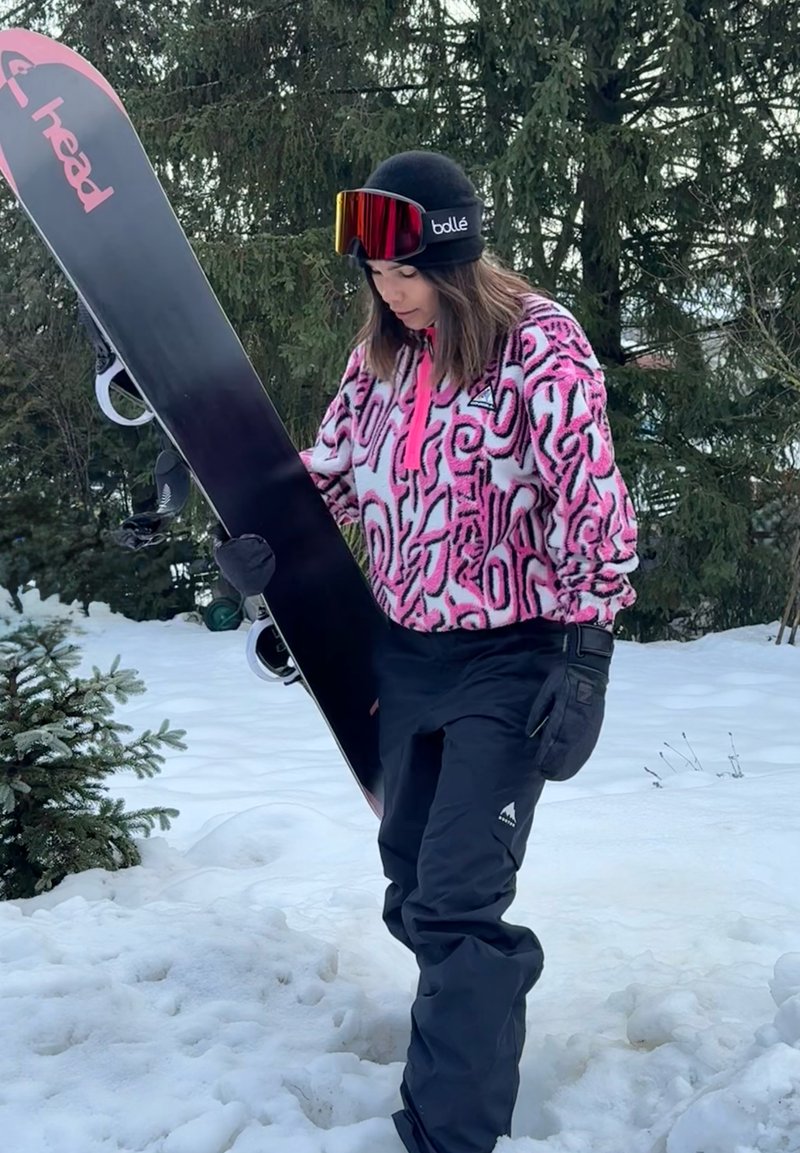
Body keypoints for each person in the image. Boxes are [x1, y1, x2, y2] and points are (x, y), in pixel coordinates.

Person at [217, 150, 638, 1153]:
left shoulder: (539, 346)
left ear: (450, 258)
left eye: (405, 273)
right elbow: (332, 477)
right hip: (405, 654)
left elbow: (593, 508)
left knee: (456, 902)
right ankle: (469, 1014)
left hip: (514, 655)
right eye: (374, 274)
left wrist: (585, 651)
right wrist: (263, 547)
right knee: (411, 880)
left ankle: (446, 1130)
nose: (389, 291)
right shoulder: (383, 360)